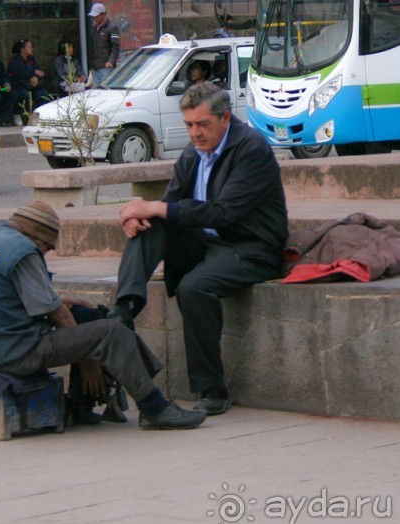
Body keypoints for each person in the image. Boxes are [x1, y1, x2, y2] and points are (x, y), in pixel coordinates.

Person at [110, 82, 288, 417]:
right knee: (149, 226)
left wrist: (155, 209)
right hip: (206, 242)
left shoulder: (251, 148)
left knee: (195, 287)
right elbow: (172, 205)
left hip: (250, 247)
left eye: (203, 124)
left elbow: (224, 212)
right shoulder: (192, 152)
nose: (195, 133)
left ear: (225, 118)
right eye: (190, 125)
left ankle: (213, 389)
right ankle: (123, 312)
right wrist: (138, 217)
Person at [0, 200, 207, 430]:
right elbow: (59, 317)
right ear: (34, 237)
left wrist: (64, 302)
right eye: (46, 249)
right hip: (14, 352)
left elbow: (0, 295)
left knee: (86, 313)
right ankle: (154, 409)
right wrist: (89, 360)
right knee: (111, 330)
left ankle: (80, 405)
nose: (45, 254)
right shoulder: (23, 250)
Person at [7, 39, 48, 126]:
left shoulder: (32, 59)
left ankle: (35, 116)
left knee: (42, 94)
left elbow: (39, 71)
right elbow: (18, 73)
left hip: (31, 84)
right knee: (24, 95)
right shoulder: (15, 60)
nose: (31, 48)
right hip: (18, 84)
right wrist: (33, 72)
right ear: (23, 49)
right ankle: (17, 113)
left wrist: (35, 77)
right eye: (29, 47)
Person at [87, 3, 119, 88]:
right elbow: (91, 48)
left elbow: (115, 46)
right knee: (96, 92)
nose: (94, 19)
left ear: (104, 14)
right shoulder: (94, 29)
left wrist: (111, 61)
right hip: (95, 68)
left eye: (96, 16)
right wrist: (90, 66)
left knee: (105, 91)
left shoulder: (112, 27)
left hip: (106, 67)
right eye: (93, 17)